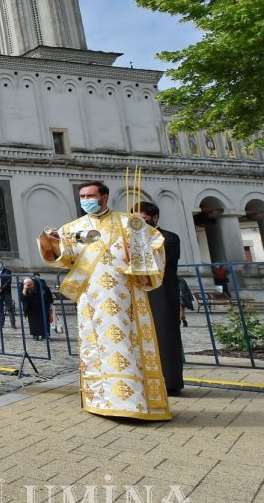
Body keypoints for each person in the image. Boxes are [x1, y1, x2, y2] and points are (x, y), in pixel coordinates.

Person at [39, 180, 170, 420]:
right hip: (91, 300)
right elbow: (64, 258)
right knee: (96, 350)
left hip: (127, 298)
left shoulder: (129, 222)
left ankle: (134, 404)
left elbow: (157, 243)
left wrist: (140, 259)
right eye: (82, 196)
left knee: (129, 347)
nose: (86, 200)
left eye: (90, 195)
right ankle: (100, 400)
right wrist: (52, 242)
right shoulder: (71, 228)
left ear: (105, 197)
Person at [136, 201, 184, 395]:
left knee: (164, 334)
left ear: (154, 218)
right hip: (138, 291)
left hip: (161, 291)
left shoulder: (168, 238)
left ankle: (170, 382)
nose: (140, 224)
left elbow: (164, 260)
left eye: (144, 220)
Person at [21, 277, 51, 341]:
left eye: (30, 285)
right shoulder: (24, 286)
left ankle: (45, 335)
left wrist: (48, 303)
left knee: (44, 321)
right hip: (31, 306)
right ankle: (35, 334)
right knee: (33, 321)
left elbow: (49, 297)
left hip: (42, 305)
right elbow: (23, 299)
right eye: (27, 285)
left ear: (33, 283)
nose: (29, 286)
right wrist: (25, 289)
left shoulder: (41, 285)